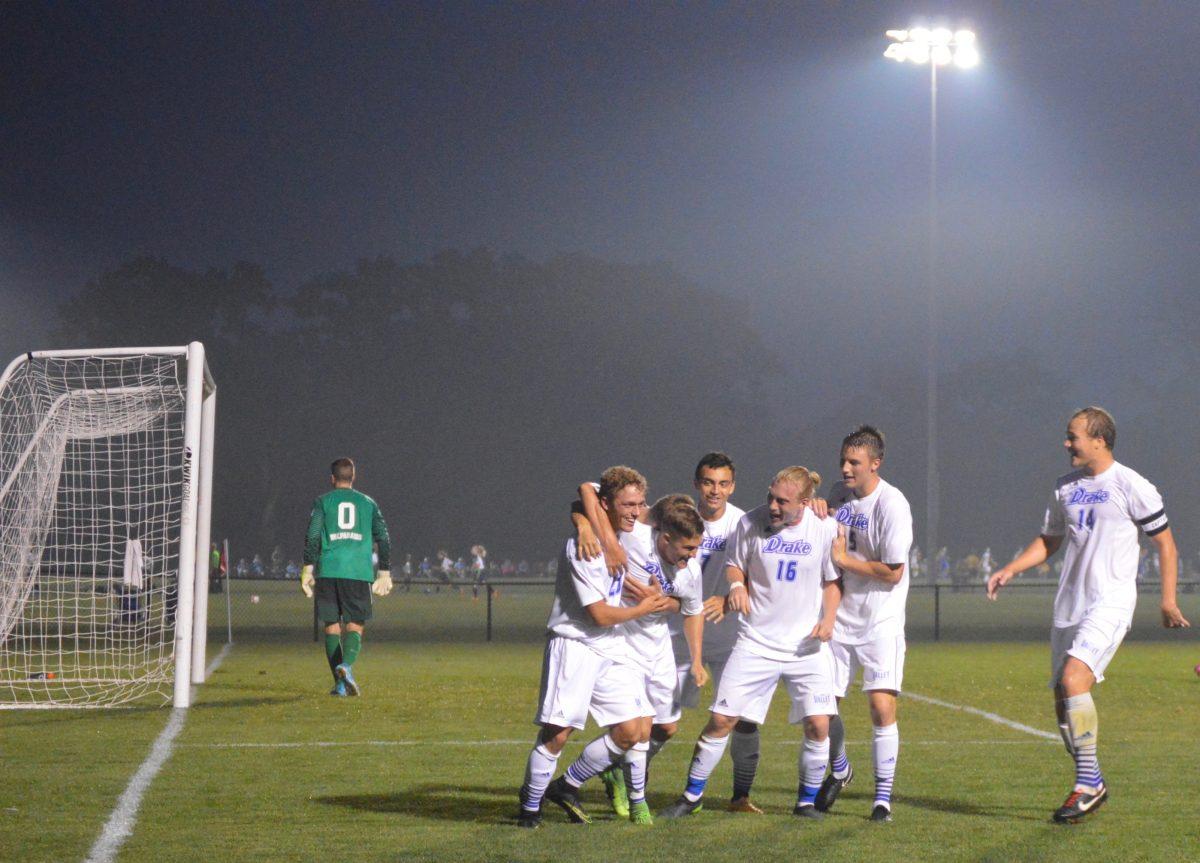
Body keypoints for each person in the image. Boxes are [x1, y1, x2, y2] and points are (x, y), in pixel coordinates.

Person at [987, 407, 1190, 823]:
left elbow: (1166, 545)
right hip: (1069, 606)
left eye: (1073, 436)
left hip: (1111, 601)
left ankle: (1086, 786)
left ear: (1099, 439)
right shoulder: (1064, 488)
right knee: (1064, 706)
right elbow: (1049, 541)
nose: (1066, 443)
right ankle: (1092, 778)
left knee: (1073, 679)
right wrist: (1011, 568)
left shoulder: (1132, 485)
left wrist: (1167, 600)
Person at [659, 466, 841, 820]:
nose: (772, 505)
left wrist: (829, 619)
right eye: (770, 496)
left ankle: (805, 803)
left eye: (782, 501)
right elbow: (734, 565)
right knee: (721, 720)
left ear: (805, 503)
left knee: (819, 725)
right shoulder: (749, 524)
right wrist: (738, 586)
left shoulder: (824, 528)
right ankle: (691, 796)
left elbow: (832, 582)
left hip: (806, 647)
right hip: (755, 642)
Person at [517, 466, 671, 828]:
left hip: (610, 646)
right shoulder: (584, 547)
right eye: (628, 504)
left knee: (634, 730)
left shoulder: (617, 536)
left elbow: (587, 495)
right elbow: (599, 614)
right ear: (605, 504)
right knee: (558, 734)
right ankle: (529, 809)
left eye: (640, 504)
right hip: (575, 644)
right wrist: (643, 607)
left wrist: (644, 591)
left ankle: (567, 785)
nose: (636, 512)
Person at [574, 488, 709, 818]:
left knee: (667, 728)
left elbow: (693, 611)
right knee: (640, 730)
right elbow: (589, 492)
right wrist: (585, 525)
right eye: (688, 548)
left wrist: (695, 660)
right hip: (622, 645)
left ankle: (616, 768)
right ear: (664, 538)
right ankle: (636, 799)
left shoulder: (690, 571)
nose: (693, 555)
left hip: (658, 649)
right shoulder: (636, 537)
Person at [817, 426, 913, 822]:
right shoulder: (839, 497)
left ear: (875, 464)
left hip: (880, 619)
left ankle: (882, 799)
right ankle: (840, 768)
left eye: (854, 462)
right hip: (840, 618)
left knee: (879, 706)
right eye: (843, 459)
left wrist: (844, 561)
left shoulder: (892, 505)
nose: (845, 468)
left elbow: (892, 572)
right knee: (821, 708)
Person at [300, 457, 393, 697]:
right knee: (355, 625)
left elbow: (312, 535)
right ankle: (346, 666)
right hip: (358, 572)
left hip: (329, 570)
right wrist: (384, 571)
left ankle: (340, 684)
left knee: (332, 627)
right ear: (353, 477)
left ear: (332, 479)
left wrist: (307, 568)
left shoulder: (322, 501)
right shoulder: (368, 503)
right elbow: (383, 537)